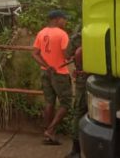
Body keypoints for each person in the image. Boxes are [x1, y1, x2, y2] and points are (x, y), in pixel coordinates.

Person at [32, 10, 72, 146]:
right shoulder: (62, 34)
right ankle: (50, 130)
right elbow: (66, 55)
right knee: (66, 103)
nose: (65, 21)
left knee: (49, 102)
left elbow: (35, 54)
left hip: (45, 72)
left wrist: (46, 66)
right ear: (56, 19)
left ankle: (50, 135)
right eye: (63, 19)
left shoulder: (41, 33)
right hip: (60, 73)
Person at [64, 20, 86, 158]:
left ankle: (76, 150)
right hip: (107, 79)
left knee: (79, 111)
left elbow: (67, 55)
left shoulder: (79, 35)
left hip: (83, 78)